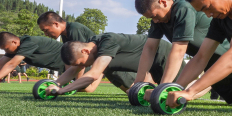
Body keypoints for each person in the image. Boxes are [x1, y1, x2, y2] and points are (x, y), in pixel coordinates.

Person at [47, 32, 184, 96]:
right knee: (150, 94)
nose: (81, 67)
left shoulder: (108, 42)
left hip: (164, 57)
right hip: (151, 66)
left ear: (85, 51)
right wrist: (56, 84)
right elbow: (74, 70)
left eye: (80, 63)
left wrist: (63, 90)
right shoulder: (92, 45)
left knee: (181, 90)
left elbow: (93, 75)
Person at [37, 11, 136, 90]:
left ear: (56, 24)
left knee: (128, 83)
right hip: (97, 61)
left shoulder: (74, 30)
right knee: (124, 86)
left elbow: (80, 62)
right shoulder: (65, 34)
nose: (46, 34)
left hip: (106, 57)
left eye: (46, 30)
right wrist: (63, 82)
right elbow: (73, 63)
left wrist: (76, 84)